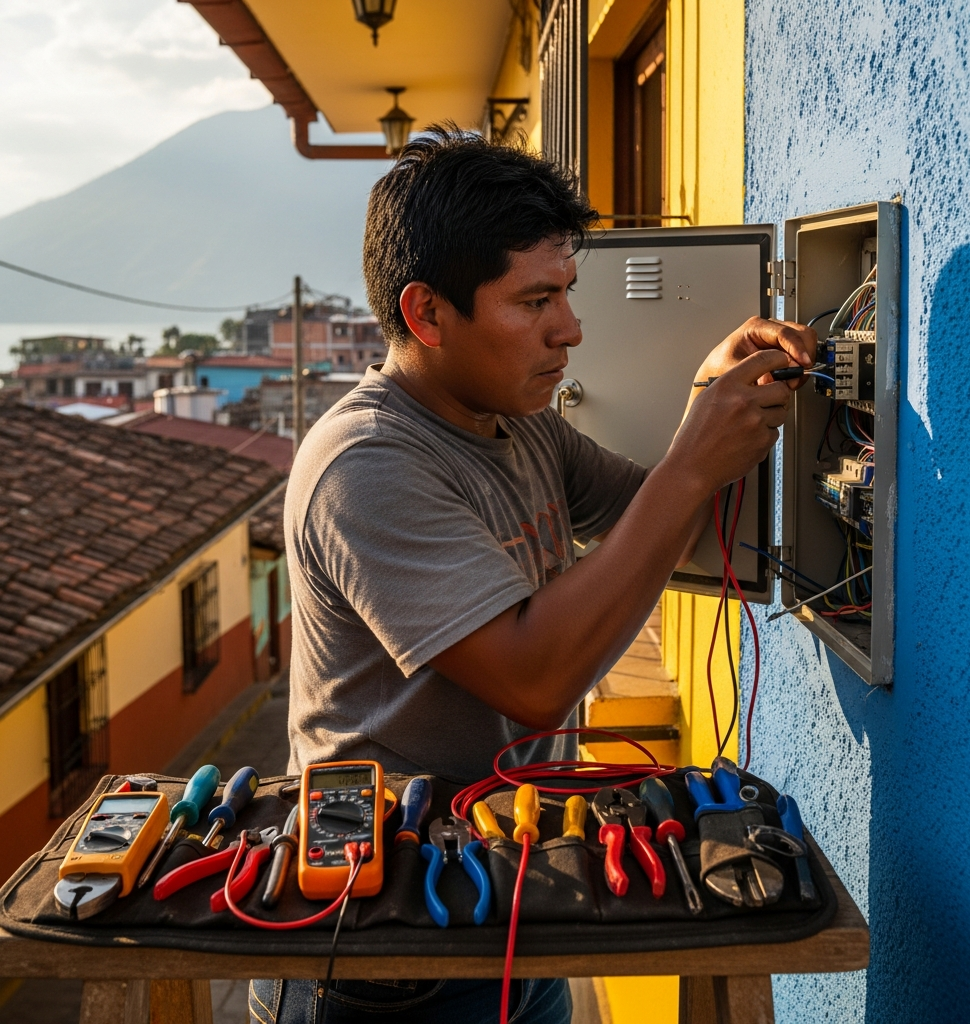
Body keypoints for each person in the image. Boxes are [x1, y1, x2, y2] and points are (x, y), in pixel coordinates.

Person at [250, 127, 815, 1024]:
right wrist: (689, 465)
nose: (571, 329)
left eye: (570, 293)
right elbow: (534, 678)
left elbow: (658, 518)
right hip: (384, 955)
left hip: (513, 906)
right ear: (427, 312)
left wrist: (709, 408)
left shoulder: (519, 426)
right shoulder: (365, 465)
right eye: (535, 300)